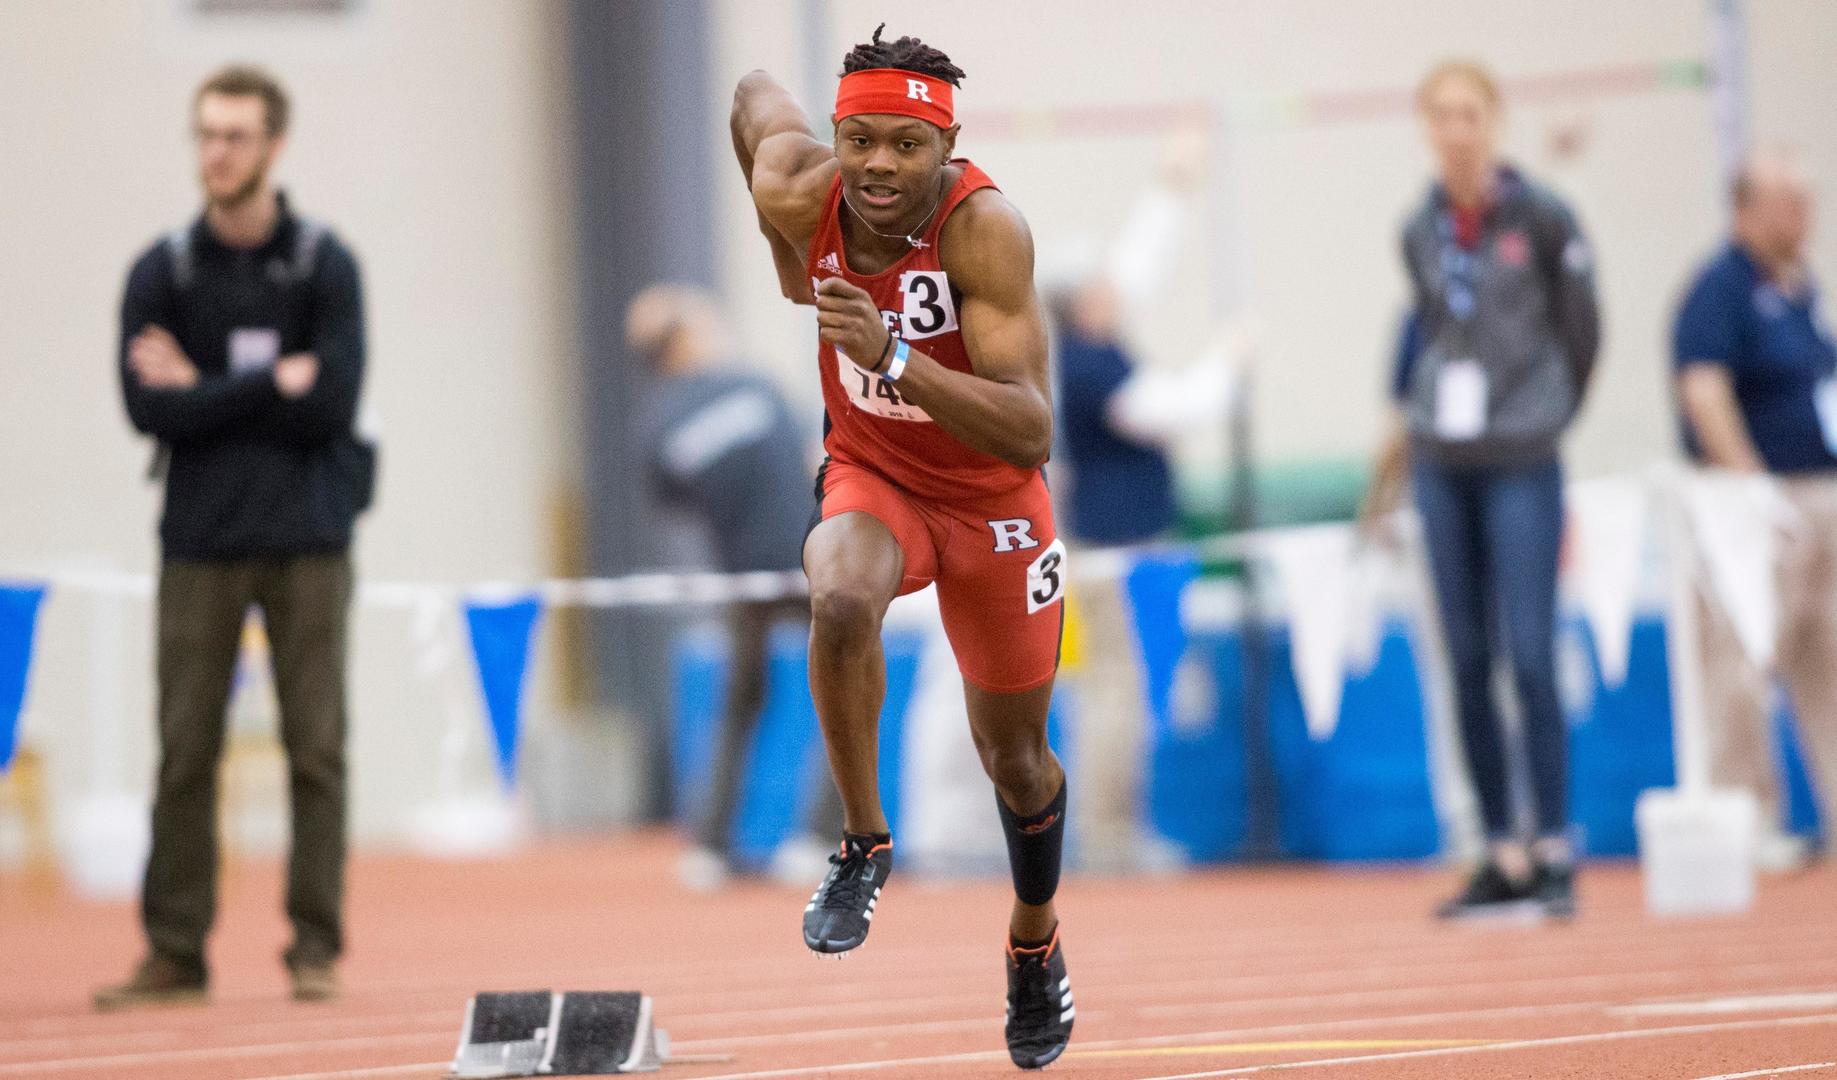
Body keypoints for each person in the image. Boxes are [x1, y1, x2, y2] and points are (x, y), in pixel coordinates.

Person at [731, 26, 1074, 1068]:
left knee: (1012, 760)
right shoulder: (802, 185)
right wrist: (789, 257)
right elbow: (749, 92)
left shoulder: (986, 233)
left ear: (946, 148)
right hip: (875, 475)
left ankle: (1033, 940)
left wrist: (893, 356)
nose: (878, 167)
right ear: (835, 137)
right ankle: (864, 841)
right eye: (860, 142)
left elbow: (1030, 430)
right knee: (837, 597)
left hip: (992, 502)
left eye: (906, 148)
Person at [96, 65, 371, 1009]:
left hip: (309, 536)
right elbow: (144, 410)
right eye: (206, 134)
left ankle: (314, 947)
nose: (217, 152)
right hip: (198, 540)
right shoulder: (161, 271)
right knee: (184, 752)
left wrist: (201, 391)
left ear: (273, 146)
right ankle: (174, 952)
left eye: (237, 136)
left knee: (316, 751)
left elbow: (332, 400)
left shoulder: (325, 266)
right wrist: (267, 384)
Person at [1363, 60, 1600, 920]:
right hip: (1441, 461)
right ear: (1426, 127)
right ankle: (1498, 848)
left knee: (1530, 655)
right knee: (1463, 660)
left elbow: (1582, 330)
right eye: (1441, 115)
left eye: (1470, 114)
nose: (1455, 129)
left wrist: (1544, 411)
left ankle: (1553, 846)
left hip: (1520, 458)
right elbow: (1430, 327)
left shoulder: (1539, 216)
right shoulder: (1418, 228)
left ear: (1494, 123)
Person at [1048, 145, 1240, 874]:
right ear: (1081, 300)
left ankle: (1109, 826)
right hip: (1107, 552)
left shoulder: (1085, 345)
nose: (1114, 292)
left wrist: (1172, 186)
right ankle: (1108, 830)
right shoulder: (1089, 366)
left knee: (1122, 693)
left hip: (1117, 548)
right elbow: (1173, 410)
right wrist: (1228, 360)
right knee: (1114, 698)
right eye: (1100, 286)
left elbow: (1137, 266)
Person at [625, 283, 845, 890]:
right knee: (845, 690)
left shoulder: (655, 424)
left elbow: (670, 501)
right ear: (686, 338)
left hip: (742, 571)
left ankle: (711, 847)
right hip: (812, 556)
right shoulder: (753, 384)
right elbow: (817, 456)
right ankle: (820, 838)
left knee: (741, 705)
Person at [1673, 147, 1836, 868]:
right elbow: (1703, 390)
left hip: (1821, 493)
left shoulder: (1801, 290)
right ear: (1747, 209)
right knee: (1739, 662)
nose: (1803, 214)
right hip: (1751, 503)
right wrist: (1749, 483)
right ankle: (1749, 820)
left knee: (1826, 659)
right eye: (1786, 201)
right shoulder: (1718, 288)